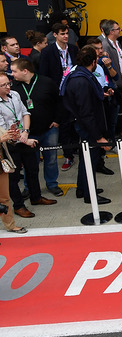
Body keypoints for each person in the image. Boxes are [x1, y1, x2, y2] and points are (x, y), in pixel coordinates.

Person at [60, 46, 112, 205]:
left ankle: (82, 188)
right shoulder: (82, 81)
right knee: (90, 160)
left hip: (83, 125)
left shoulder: (78, 76)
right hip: (88, 129)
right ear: (93, 61)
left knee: (85, 159)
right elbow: (86, 113)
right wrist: (99, 137)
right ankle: (90, 195)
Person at [0, 74, 57, 218]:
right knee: (13, 178)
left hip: (24, 137)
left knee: (32, 168)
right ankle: (19, 206)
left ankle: (36, 197)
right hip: (9, 145)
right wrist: (25, 139)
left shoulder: (14, 94)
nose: (8, 87)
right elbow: (4, 131)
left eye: (8, 83)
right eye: (4, 85)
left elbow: (25, 113)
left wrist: (25, 132)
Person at [9, 58, 62, 197]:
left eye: (14, 71)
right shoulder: (14, 88)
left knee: (51, 159)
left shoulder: (47, 82)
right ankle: (29, 187)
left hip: (49, 130)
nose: (12, 74)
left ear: (25, 71)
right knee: (29, 163)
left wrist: (57, 120)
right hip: (28, 133)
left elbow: (59, 102)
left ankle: (52, 184)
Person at [0, 123, 26, 232]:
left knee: (5, 198)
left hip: (1, 166)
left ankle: (10, 225)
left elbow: (5, 142)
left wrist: (13, 138)